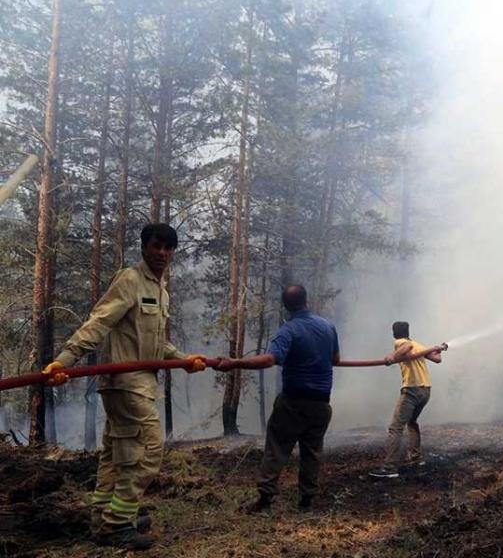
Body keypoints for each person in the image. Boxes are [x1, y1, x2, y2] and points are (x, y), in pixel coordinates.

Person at [43, 223, 206, 551]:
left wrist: (185, 359)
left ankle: (104, 517)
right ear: (145, 247)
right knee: (148, 451)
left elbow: (155, 344)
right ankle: (118, 525)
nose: (162, 253)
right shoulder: (130, 280)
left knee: (116, 455)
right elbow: (99, 322)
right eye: (156, 246)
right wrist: (66, 359)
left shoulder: (161, 291)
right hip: (126, 385)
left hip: (139, 383)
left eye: (168, 248)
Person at [215, 284, 340, 513]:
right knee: (312, 452)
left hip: (293, 402)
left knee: (277, 448)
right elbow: (336, 358)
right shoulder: (328, 327)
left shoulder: (289, 330)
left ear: (285, 307)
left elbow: (270, 359)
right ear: (306, 301)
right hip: (321, 403)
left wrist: (235, 363)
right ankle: (306, 502)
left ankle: (265, 499)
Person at [368, 321, 443, 479]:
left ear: (394, 333)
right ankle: (416, 458)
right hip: (425, 391)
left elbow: (406, 347)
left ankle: (389, 468)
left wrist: (392, 356)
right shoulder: (418, 345)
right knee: (412, 421)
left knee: (395, 428)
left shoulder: (402, 342)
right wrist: (438, 349)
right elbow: (437, 359)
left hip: (412, 390)